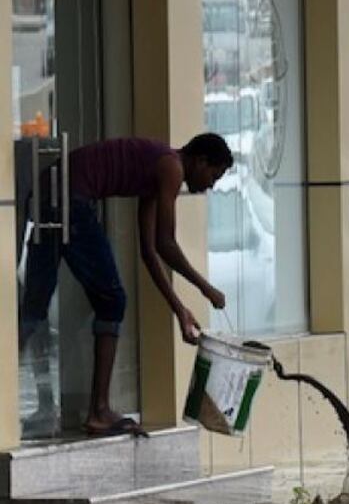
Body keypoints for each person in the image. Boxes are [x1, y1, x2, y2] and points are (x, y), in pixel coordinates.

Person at [18, 133, 233, 436]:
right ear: (200, 161)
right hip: (68, 198)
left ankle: (44, 405)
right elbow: (167, 244)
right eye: (214, 174)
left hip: (46, 193)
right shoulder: (171, 167)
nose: (212, 184)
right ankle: (99, 411)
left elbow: (149, 251)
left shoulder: (159, 169)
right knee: (112, 301)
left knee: (34, 309)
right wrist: (205, 288)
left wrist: (179, 309)